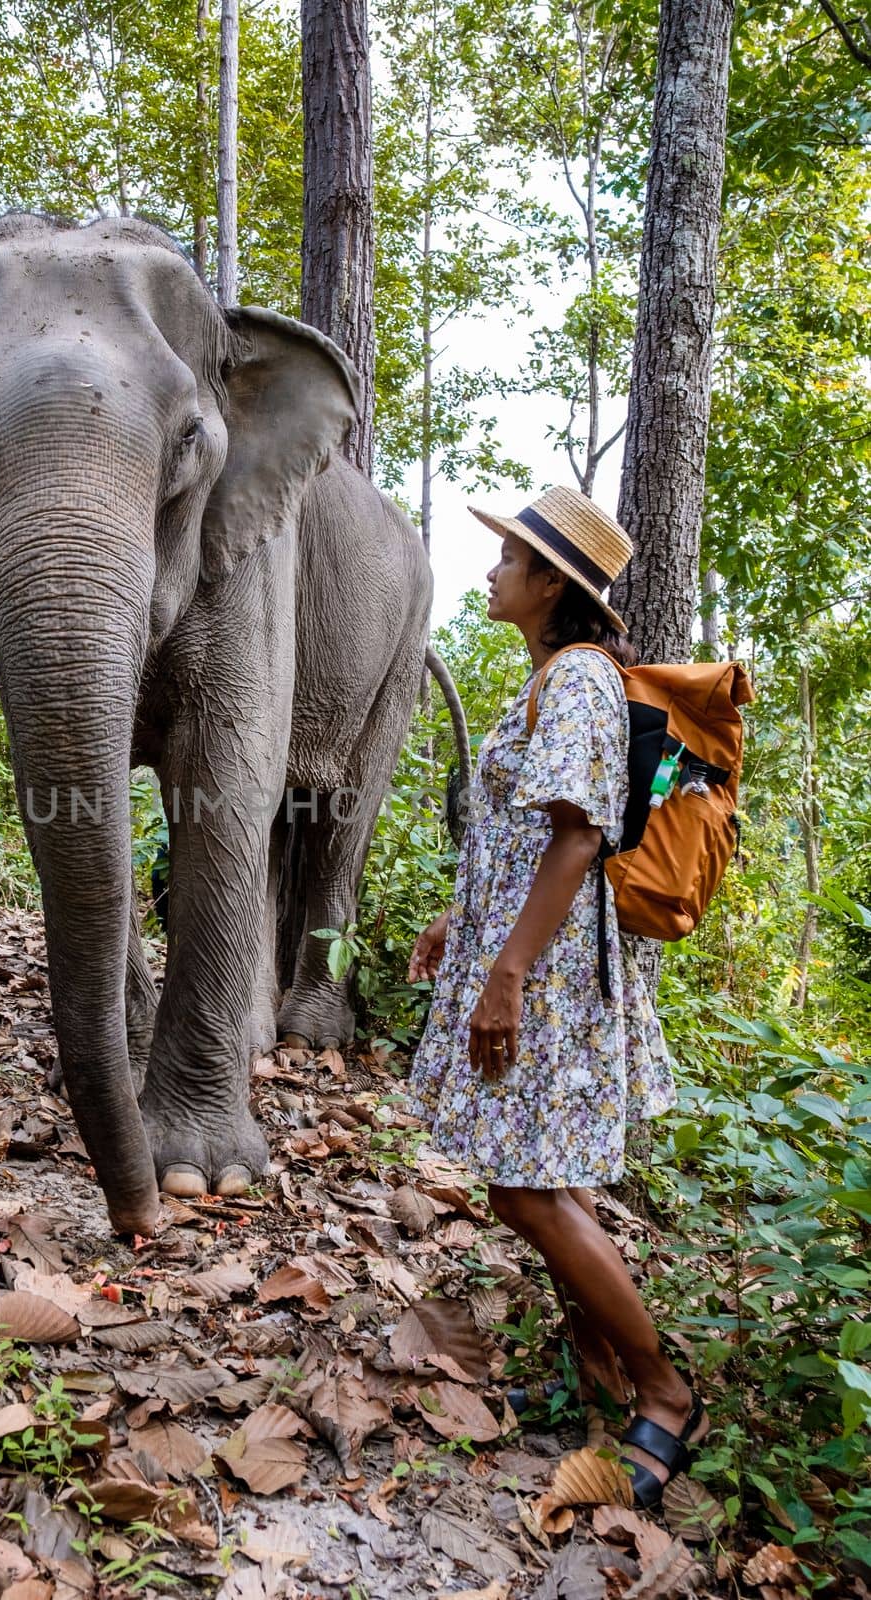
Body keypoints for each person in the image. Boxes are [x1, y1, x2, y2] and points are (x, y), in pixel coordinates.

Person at [407, 485, 706, 1508]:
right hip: (528, 955)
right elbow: (520, 834)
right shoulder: (546, 678)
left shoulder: (577, 676)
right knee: (546, 1181)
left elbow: (580, 834)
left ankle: (667, 1395)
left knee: (526, 1187)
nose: (491, 573)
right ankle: (606, 1382)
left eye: (508, 560)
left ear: (550, 583)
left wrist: (509, 974)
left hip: (551, 976)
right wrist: (462, 925)